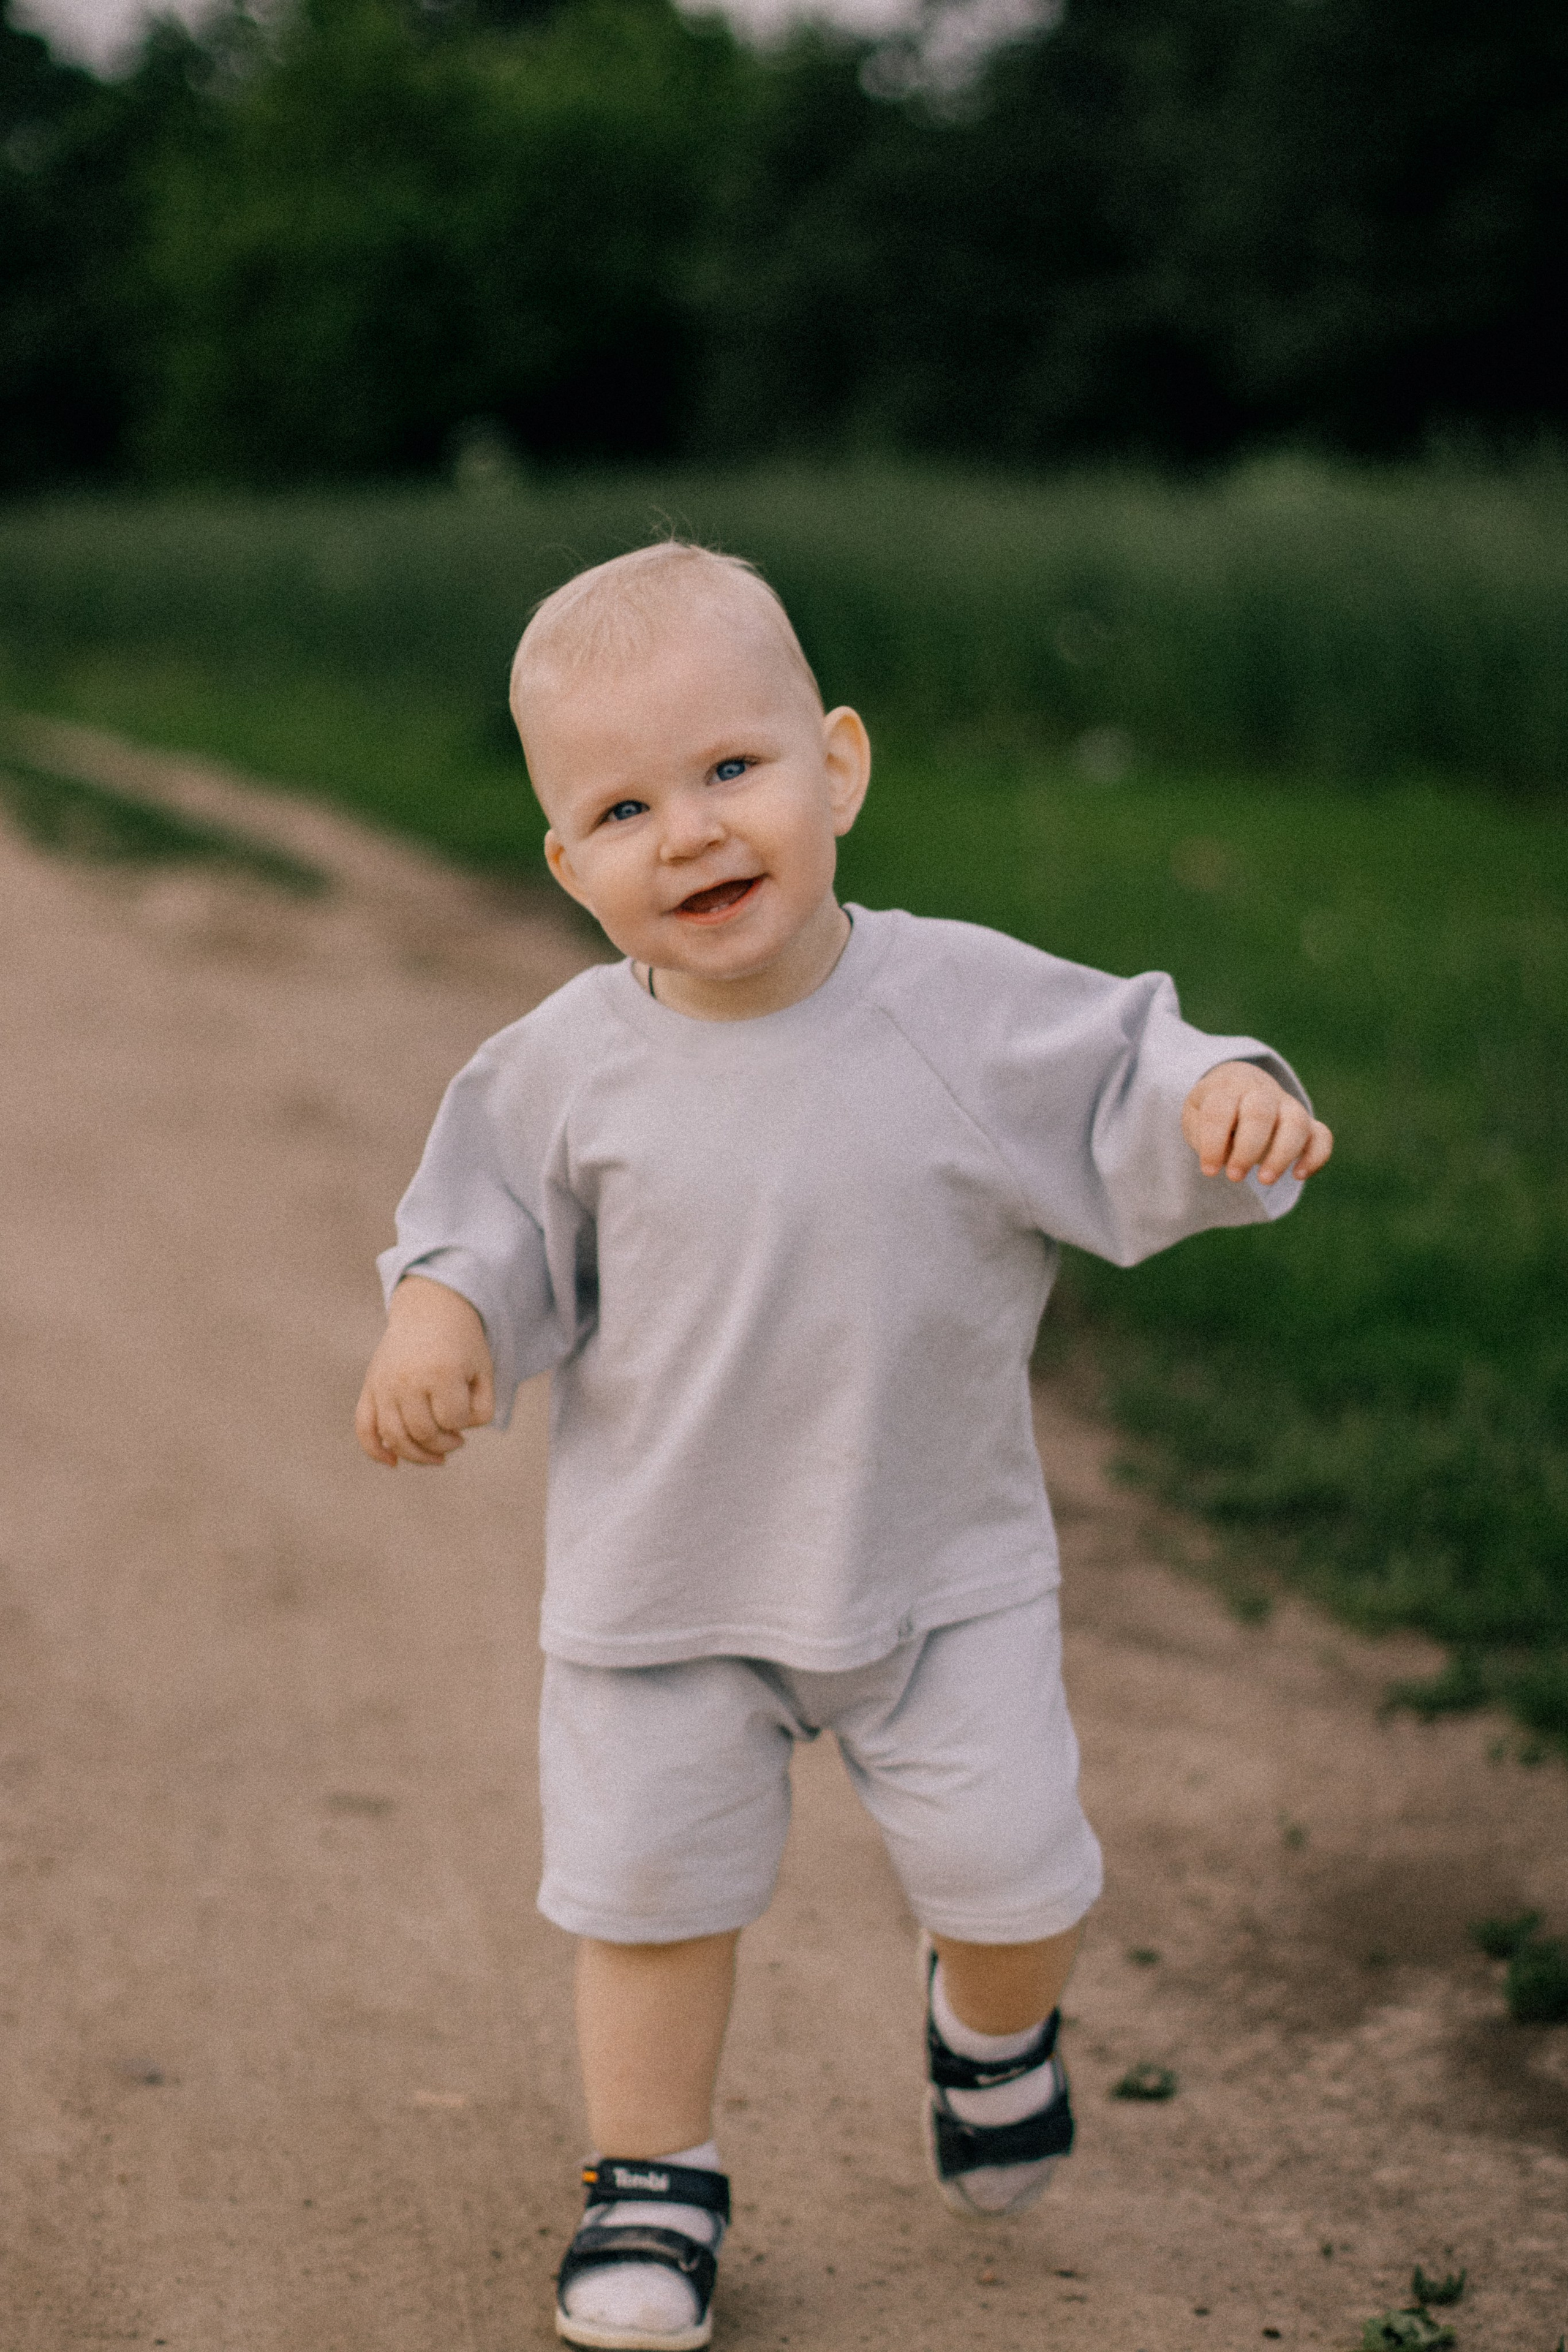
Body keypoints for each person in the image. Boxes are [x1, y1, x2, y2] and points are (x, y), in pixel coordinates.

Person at [355, 541, 1332, 2352]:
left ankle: (991, 2027)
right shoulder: (563, 1071)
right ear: (569, 868)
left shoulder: (955, 1007)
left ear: (842, 769)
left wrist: (1222, 1098)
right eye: (626, 806)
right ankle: (654, 2180)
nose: (695, 833)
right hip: (665, 1592)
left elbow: (1124, 1070)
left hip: (936, 1570)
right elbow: (476, 1223)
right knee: (647, 1902)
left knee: (1022, 1874)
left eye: (735, 770)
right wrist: (444, 1317)